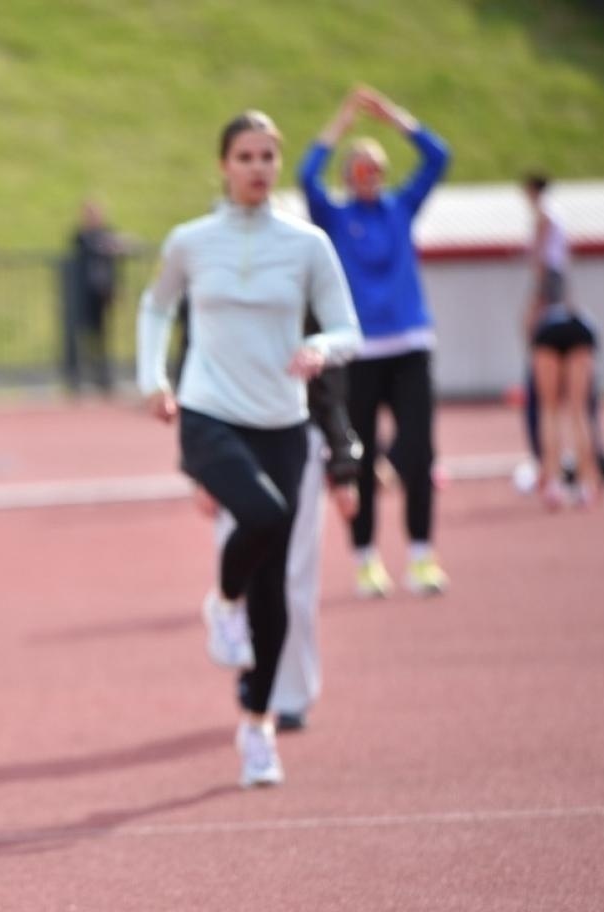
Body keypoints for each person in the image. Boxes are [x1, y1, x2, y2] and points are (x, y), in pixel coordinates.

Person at [137, 110, 360, 788]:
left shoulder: (307, 244)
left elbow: (348, 328)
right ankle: (222, 602)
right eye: (245, 156)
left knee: (276, 589)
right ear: (224, 165)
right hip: (208, 415)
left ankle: (259, 726)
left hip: (283, 424)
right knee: (261, 522)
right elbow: (156, 307)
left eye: (268, 156)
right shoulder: (190, 242)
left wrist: (320, 349)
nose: (258, 167)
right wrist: (155, 379)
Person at [300, 85, 450, 598]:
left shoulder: (399, 209)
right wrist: (342, 121)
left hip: (409, 344)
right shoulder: (336, 218)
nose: (370, 176)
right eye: (360, 169)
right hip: (358, 353)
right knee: (358, 458)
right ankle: (365, 560)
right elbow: (304, 176)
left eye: (377, 169)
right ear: (348, 177)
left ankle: (422, 556)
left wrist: (393, 118)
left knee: (419, 453)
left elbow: (438, 157)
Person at [199, 365, 362, 731]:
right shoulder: (215, 307)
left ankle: (289, 693)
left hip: (297, 434)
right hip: (230, 436)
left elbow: (329, 376)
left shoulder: (304, 308)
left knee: (293, 575)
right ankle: (254, 673)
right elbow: (198, 366)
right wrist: (199, 467)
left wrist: (342, 460)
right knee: (244, 567)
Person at [522, 173, 601, 509]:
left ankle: (553, 482)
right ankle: (586, 484)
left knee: (550, 409)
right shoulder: (560, 216)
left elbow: (542, 265)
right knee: (580, 411)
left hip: (549, 316)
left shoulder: (542, 214)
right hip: (576, 319)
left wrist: (533, 309)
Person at [65, 199, 130, 396]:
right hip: (81, 294)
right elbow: (96, 246)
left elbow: (114, 258)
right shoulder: (81, 236)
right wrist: (114, 244)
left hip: (101, 295)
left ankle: (103, 377)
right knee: (81, 335)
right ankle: (79, 377)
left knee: (102, 336)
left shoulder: (106, 232)